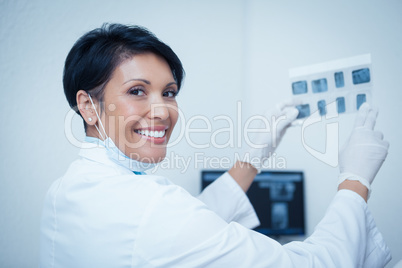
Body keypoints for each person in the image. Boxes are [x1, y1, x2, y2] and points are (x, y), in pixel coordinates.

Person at [39, 23, 391, 267]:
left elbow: (181, 228)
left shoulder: (68, 188)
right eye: (137, 91)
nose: (162, 110)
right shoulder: (150, 208)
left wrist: (253, 158)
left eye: (170, 93)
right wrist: (355, 180)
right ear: (87, 106)